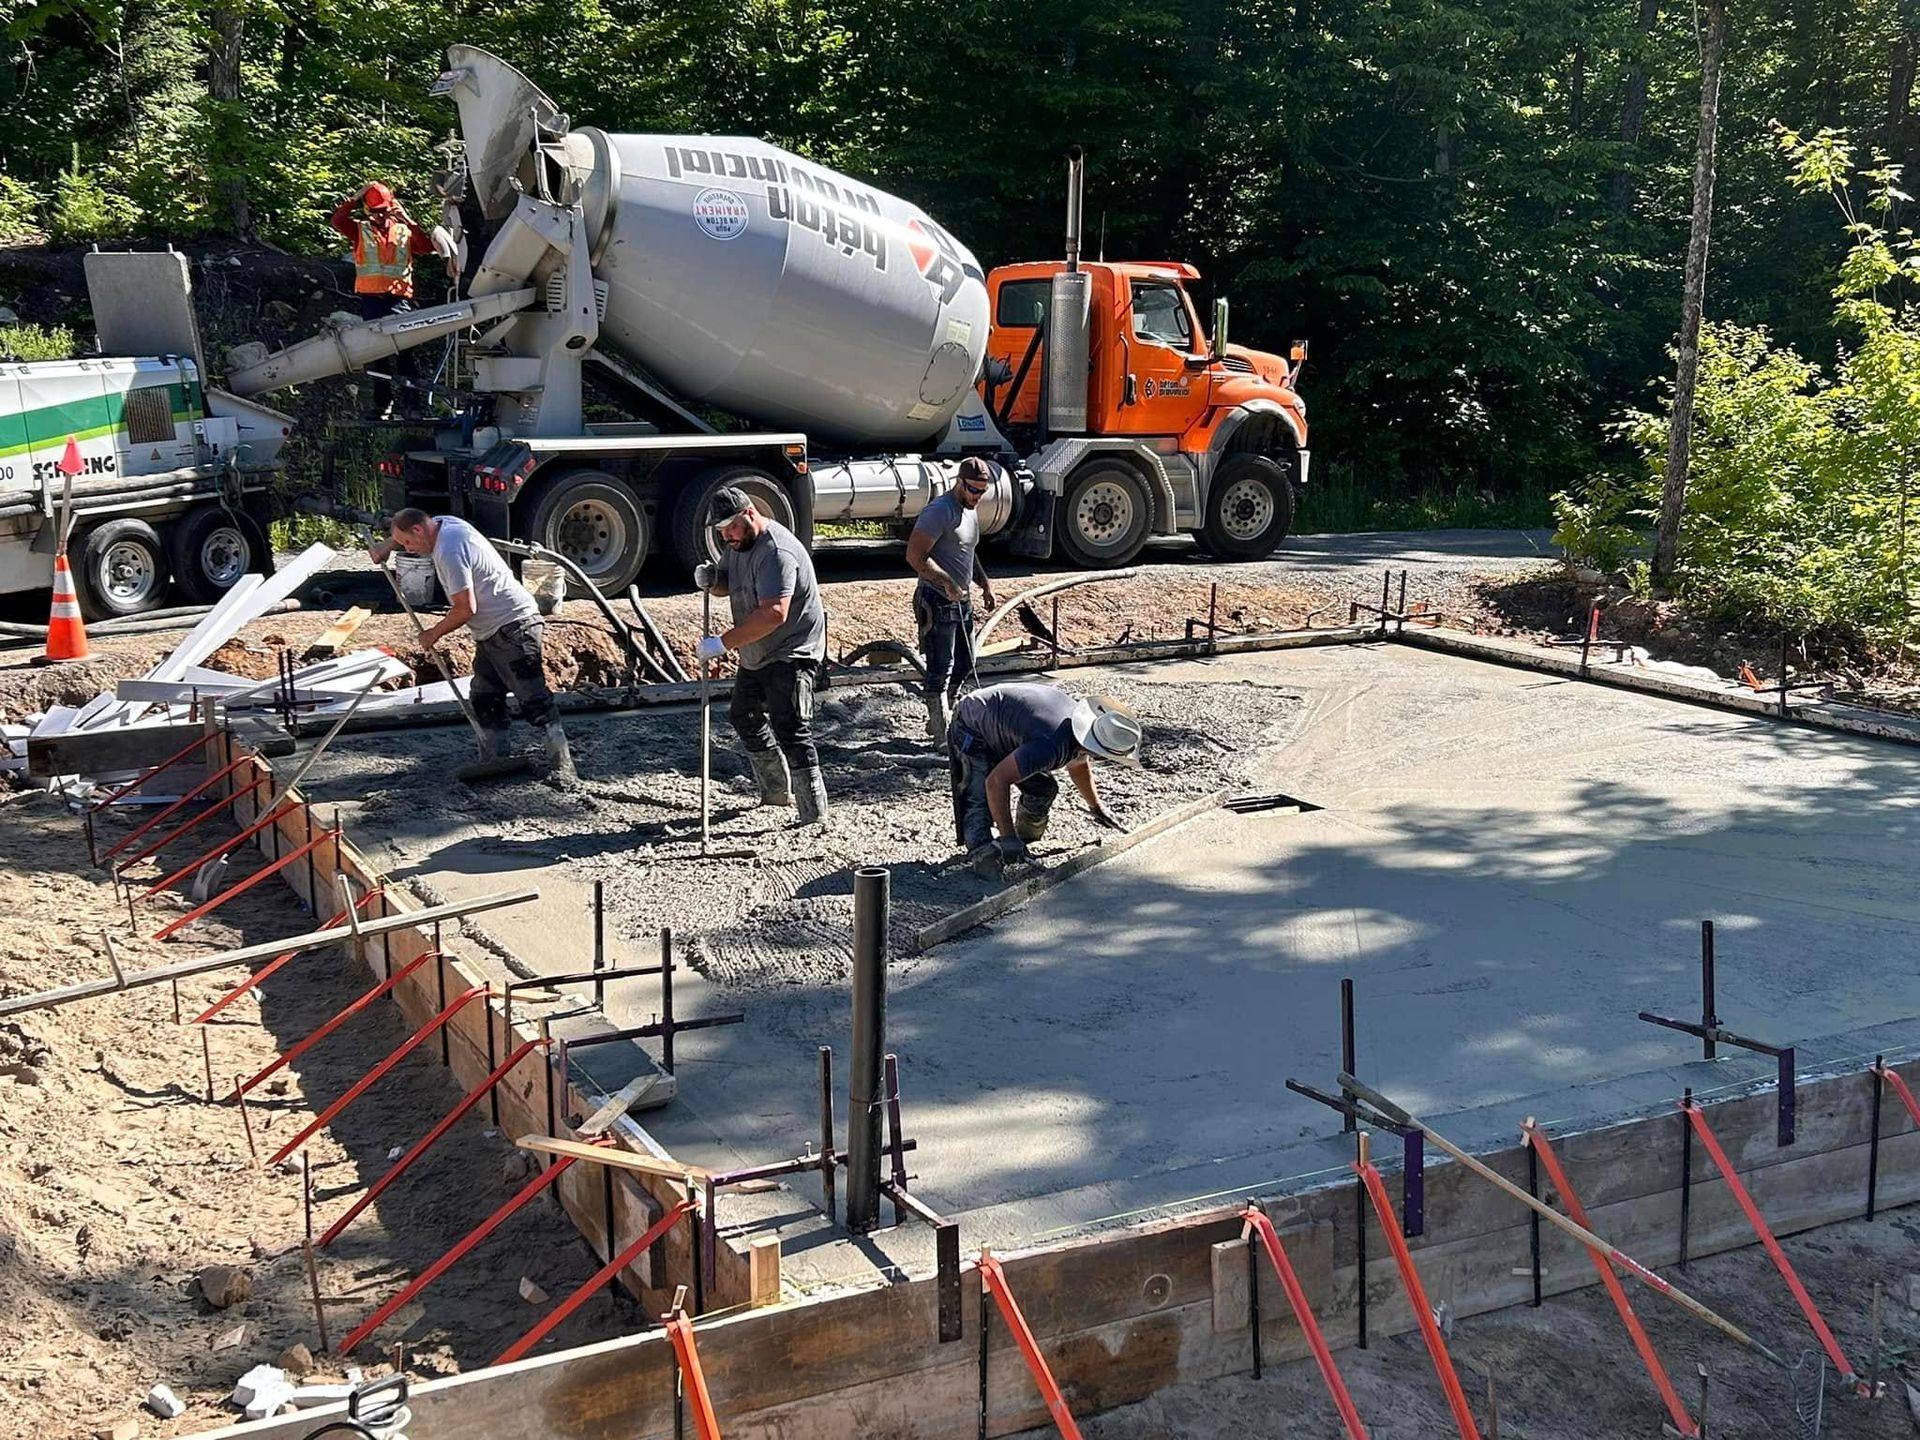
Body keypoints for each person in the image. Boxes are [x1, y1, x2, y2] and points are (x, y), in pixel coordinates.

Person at [369, 509, 576, 784]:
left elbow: (465, 608)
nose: (408, 550)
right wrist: (388, 545)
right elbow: (409, 524)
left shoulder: (450, 550)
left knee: (533, 699)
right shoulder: (442, 524)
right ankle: (496, 759)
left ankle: (563, 766)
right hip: (491, 630)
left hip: (514, 626)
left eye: (407, 543)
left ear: (419, 531)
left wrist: (434, 633)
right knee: (485, 697)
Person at [694, 487, 830, 824]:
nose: (727, 536)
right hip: (758, 649)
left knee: (790, 725)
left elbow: (773, 613)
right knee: (744, 715)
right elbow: (729, 582)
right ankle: (775, 792)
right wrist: (713, 581)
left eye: (731, 527)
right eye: (721, 531)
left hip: (793, 650)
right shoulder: (739, 543)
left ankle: (813, 812)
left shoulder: (777, 552)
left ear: (750, 514)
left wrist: (721, 643)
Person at [947, 681, 1142, 875]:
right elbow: (996, 782)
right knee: (977, 798)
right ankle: (982, 852)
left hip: (1008, 727)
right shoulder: (1051, 745)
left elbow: (1080, 764)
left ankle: (1023, 839)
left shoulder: (1083, 730)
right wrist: (1007, 836)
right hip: (973, 722)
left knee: (1043, 790)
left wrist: (1096, 807)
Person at [329, 181, 440, 418]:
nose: (379, 216)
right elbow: (337, 221)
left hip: (398, 302)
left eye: (383, 210)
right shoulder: (360, 230)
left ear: (392, 207)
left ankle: (412, 406)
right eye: (374, 211)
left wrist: (408, 219)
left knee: (405, 355)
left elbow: (427, 247)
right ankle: (382, 405)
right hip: (372, 302)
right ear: (367, 210)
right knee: (376, 355)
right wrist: (356, 196)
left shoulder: (404, 230)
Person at [906, 457, 997, 738]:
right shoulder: (939, 511)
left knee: (965, 663)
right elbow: (915, 557)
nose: (977, 497)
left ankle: (946, 716)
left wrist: (984, 584)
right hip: (936, 599)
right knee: (940, 668)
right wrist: (946, 582)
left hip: (962, 601)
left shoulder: (969, 510)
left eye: (983, 492)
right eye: (973, 490)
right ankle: (940, 732)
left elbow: (968, 550)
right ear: (959, 482)